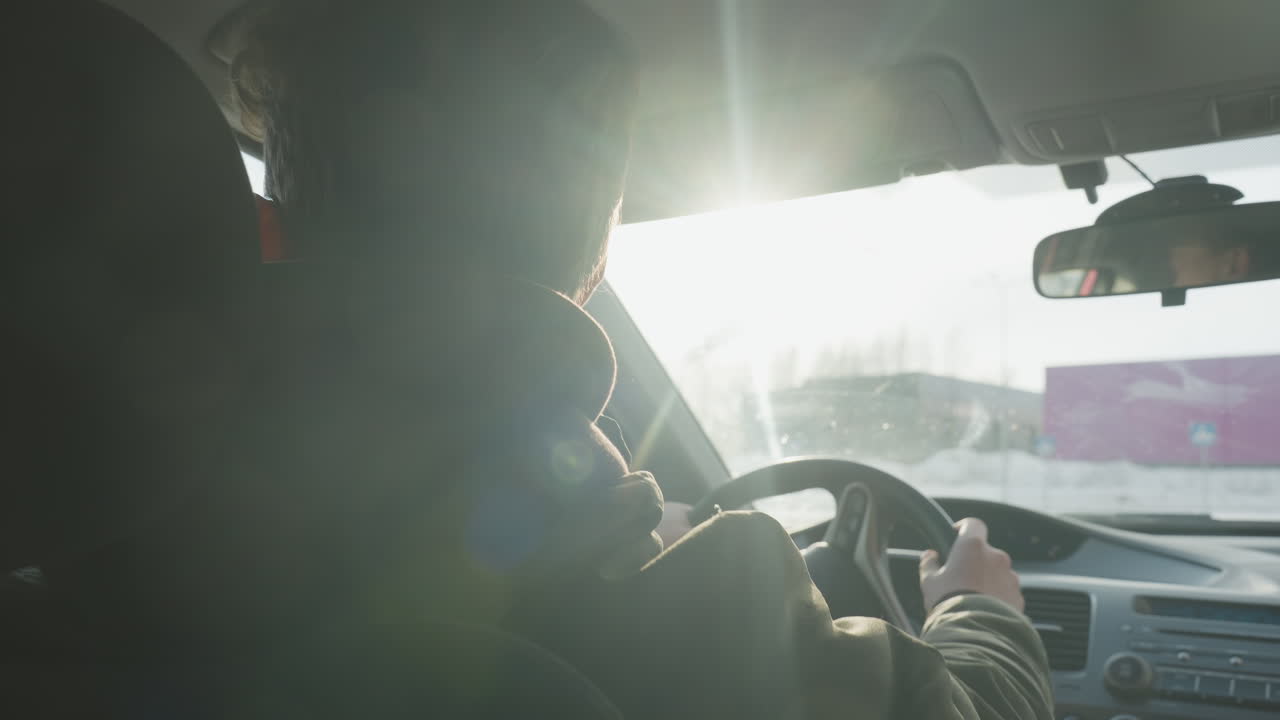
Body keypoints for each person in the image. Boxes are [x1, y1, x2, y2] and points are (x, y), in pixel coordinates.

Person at [224, 1, 1054, 717]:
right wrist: (980, 611)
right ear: (593, 253)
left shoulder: (146, 519)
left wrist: (624, 529)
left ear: (270, 227)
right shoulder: (712, 620)